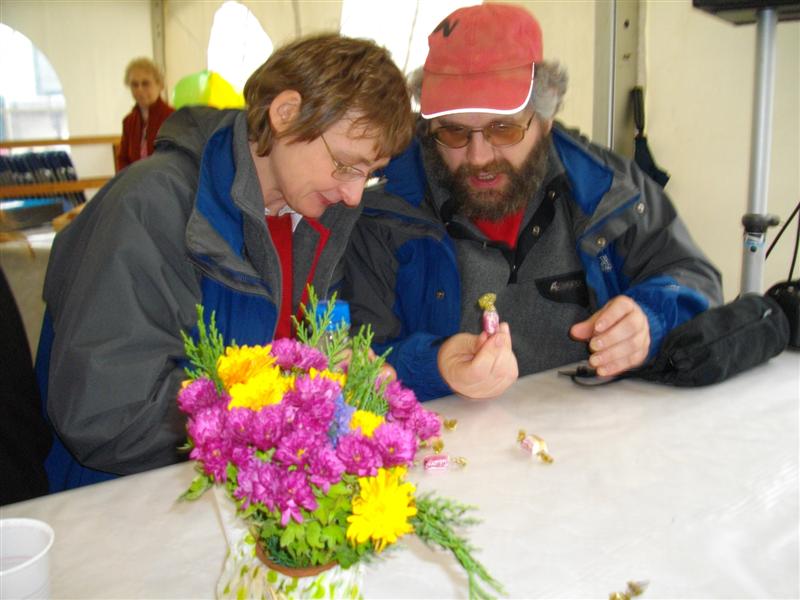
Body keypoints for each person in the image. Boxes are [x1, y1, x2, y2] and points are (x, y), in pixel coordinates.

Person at [37, 33, 414, 491]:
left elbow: (301, 345)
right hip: (123, 504)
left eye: (369, 175)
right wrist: (284, 401)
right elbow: (106, 413)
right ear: (285, 114)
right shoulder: (150, 207)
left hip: (239, 489)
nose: (353, 194)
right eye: (345, 165)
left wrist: (340, 369)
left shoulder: (316, 214)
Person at [341, 3, 722, 402]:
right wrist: (434, 365)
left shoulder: (608, 189)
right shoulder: (382, 212)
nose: (478, 157)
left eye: (502, 129)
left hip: (598, 440)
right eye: (453, 132)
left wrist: (652, 317)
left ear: (547, 116)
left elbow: (695, 276)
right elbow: (347, 358)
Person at [116, 57, 175, 171]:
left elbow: (176, 160)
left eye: (145, 83)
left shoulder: (173, 117)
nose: (139, 89)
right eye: (134, 84)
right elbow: (123, 159)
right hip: (136, 184)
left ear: (160, 85)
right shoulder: (128, 122)